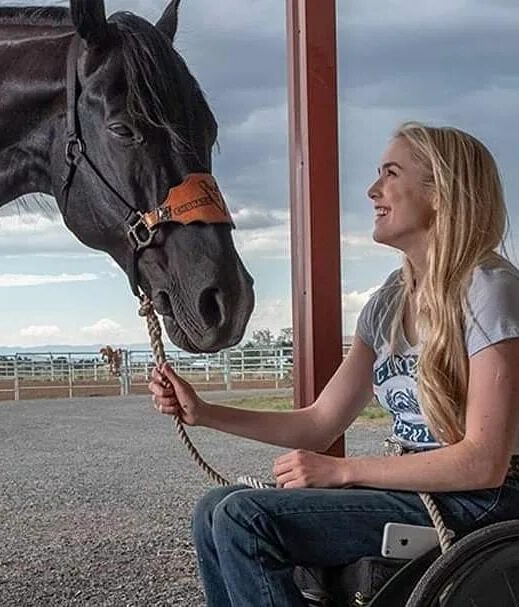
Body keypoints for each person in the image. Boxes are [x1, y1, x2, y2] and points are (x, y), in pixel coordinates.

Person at [148, 122, 519, 607]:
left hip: (481, 500)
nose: (372, 189)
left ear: (440, 192)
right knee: (213, 509)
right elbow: (319, 423)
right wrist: (205, 412)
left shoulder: (490, 291)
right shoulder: (389, 299)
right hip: (428, 490)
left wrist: (342, 472)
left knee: (246, 518)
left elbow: (483, 463)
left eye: (390, 173)